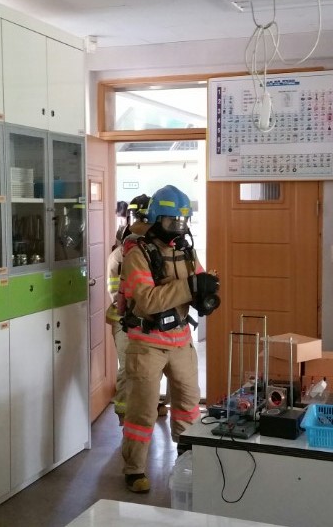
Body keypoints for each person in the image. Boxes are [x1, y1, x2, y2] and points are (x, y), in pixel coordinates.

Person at [118, 185, 221, 493]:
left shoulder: (186, 251)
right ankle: (134, 469)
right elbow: (148, 300)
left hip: (180, 340)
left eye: (182, 221)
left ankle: (187, 459)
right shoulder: (137, 255)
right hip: (146, 343)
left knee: (189, 405)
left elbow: (197, 283)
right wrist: (190, 286)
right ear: (155, 219)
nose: (178, 227)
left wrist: (205, 293)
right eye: (171, 221)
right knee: (142, 410)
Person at [106, 194, 168, 425]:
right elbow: (116, 293)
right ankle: (124, 415)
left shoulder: (155, 251)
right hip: (124, 320)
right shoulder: (120, 254)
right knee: (128, 368)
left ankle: (151, 404)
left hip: (149, 321)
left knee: (151, 368)